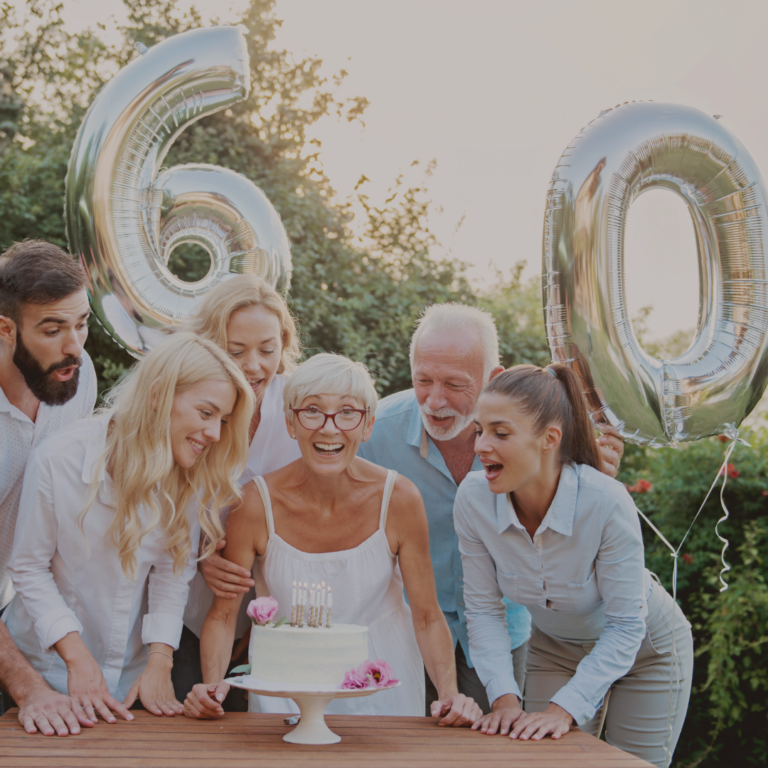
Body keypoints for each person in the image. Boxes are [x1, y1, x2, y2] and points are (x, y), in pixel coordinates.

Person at [183, 353, 481, 726]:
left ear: (367, 425)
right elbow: (224, 615)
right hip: (284, 690)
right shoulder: (254, 504)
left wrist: (449, 694)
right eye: (311, 411)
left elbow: (427, 615)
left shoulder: (400, 499)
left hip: (382, 690)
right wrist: (212, 686)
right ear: (291, 423)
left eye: (347, 413)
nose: (329, 428)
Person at [357, 303, 624, 714]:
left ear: (493, 378)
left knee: (497, 739)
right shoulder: (375, 435)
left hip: (504, 630)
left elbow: (577, 534)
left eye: (455, 384)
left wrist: (592, 484)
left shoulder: (535, 438)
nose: (435, 400)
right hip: (407, 632)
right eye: (423, 380)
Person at [3, 333, 254, 725]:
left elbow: (173, 573)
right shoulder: (58, 459)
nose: (216, 434)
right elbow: (28, 569)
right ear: (157, 395)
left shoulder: (190, 474)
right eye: (206, 413)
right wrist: (77, 658)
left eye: (222, 421)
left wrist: (160, 662)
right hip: (47, 672)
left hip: (133, 679)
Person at [457, 364, 693, 768]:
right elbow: (482, 610)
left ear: (549, 439)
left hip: (645, 649)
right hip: (555, 650)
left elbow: (626, 626)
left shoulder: (605, 501)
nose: (481, 445)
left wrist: (562, 710)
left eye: (500, 433)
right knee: (544, 762)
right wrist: (504, 701)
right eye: (479, 430)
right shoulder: (473, 499)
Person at [174, 275, 302, 704]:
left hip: (272, 613)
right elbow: (158, 500)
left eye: (267, 350)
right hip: (182, 610)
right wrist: (198, 556)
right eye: (236, 351)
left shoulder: (300, 409)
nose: (253, 366)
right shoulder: (186, 406)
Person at [0, 239, 97, 730]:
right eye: (53, 329)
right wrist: (30, 689)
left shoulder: (76, 376)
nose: (74, 346)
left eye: (82, 323)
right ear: (5, 329)